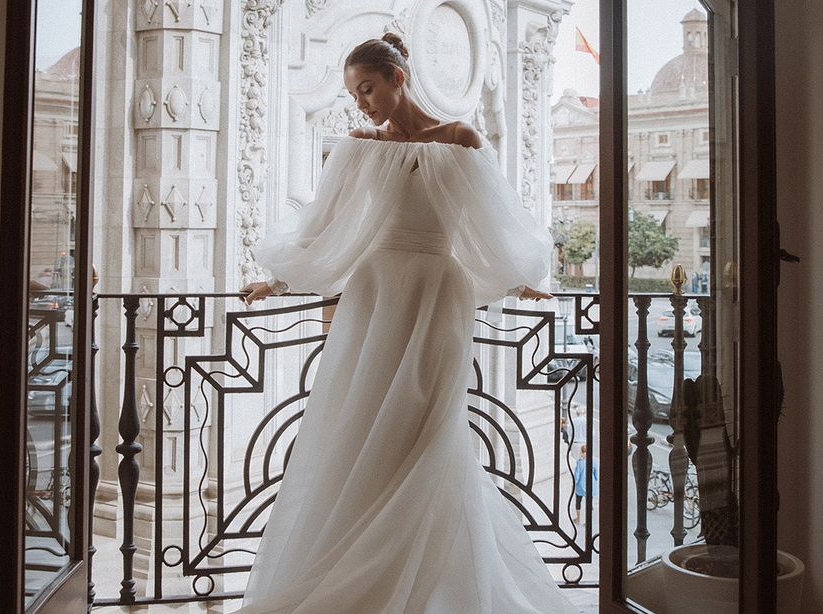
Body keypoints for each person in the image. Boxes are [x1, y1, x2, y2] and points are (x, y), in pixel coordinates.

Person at [238, 32, 576, 614]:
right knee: (363, 424)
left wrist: (519, 277)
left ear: (398, 78)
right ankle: (361, 572)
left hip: (437, 293)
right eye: (353, 93)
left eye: (367, 88)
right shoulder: (359, 148)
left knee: (430, 426)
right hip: (374, 294)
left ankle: (429, 584)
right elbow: (327, 225)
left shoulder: (460, 139)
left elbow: (486, 221)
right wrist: (280, 280)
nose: (361, 103)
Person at [569, 443, 598, 524]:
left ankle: (578, 519)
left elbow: (577, 475)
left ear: (582, 452)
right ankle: (588, 521)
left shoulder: (579, 463)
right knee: (589, 504)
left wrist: (574, 483)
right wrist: (595, 479)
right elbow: (596, 473)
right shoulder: (593, 461)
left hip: (580, 486)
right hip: (590, 485)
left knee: (578, 502)